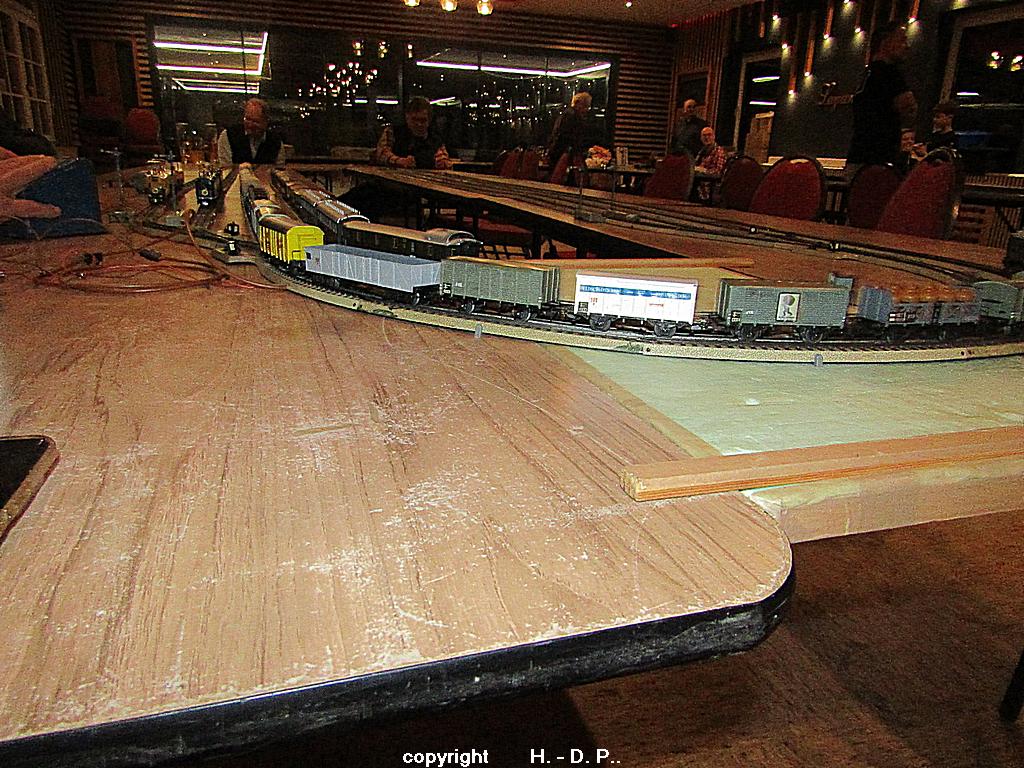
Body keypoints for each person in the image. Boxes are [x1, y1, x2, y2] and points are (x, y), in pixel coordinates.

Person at [847, 22, 916, 168]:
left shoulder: (866, 74)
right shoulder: (890, 74)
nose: (907, 46)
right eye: (902, 40)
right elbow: (909, 109)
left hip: (857, 157)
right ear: (885, 43)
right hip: (879, 162)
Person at [375, 97, 453, 170]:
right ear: (407, 117)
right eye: (414, 119)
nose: (419, 124)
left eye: (423, 120)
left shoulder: (435, 138)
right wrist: (400, 161)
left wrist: (443, 163)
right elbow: (381, 154)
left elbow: (444, 158)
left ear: (429, 120)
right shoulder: (393, 132)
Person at [216, 98, 285, 169]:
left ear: (266, 121)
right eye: (248, 119)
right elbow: (225, 168)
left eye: (255, 121)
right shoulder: (228, 135)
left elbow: (280, 170)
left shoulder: (276, 141)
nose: (250, 125)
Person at [546, 92, 592, 170]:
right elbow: (569, 138)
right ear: (578, 103)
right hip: (563, 156)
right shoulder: (573, 117)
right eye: (585, 106)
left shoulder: (566, 114)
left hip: (558, 154)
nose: (586, 110)